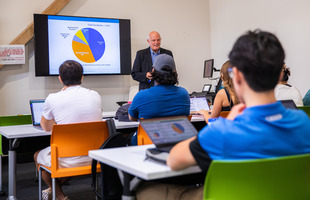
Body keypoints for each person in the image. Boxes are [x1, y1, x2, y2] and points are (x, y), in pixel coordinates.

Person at [136, 30, 310, 200]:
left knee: (144, 190)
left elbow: (174, 160)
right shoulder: (304, 123)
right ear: (279, 73)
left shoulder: (223, 132)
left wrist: (222, 124)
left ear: (238, 78)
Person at [34, 60, 102, 200]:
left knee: (37, 156)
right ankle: (55, 189)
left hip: (68, 158)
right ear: (82, 77)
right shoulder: (95, 95)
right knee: (70, 153)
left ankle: (60, 196)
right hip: (95, 156)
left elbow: (46, 127)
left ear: (60, 78)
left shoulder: (53, 98)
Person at [128, 54, 190, 144]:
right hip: (176, 144)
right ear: (175, 72)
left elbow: (132, 117)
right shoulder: (184, 94)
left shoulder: (141, 95)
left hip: (148, 144)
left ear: (153, 71)